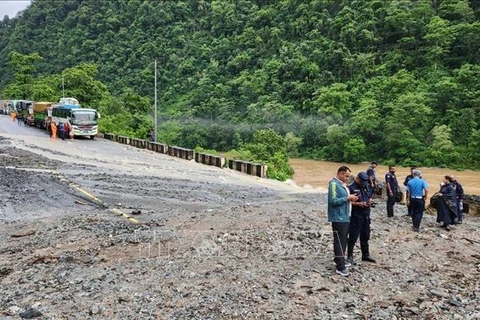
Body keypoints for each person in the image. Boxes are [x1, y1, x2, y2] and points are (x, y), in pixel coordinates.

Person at [328, 166, 358, 277]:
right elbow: (333, 200)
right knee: (340, 241)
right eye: (346, 176)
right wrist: (347, 198)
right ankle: (340, 267)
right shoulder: (334, 184)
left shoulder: (341, 184)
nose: (347, 178)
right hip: (338, 218)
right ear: (340, 174)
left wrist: (350, 198)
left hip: (344, 216)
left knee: (343, 240)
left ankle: (339, 260)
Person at [347, 172, 376, 265]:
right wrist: (358, 204)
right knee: (353, 236)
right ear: (357, 178)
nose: (363, 183)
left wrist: (370, 201)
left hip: (366, 215)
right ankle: (349, 256)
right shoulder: (350, 188)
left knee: (365, 235)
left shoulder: (366, 186)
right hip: (356, 215)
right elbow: (347, 202)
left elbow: (370, 195)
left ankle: (365, 255)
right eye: (361, 181)